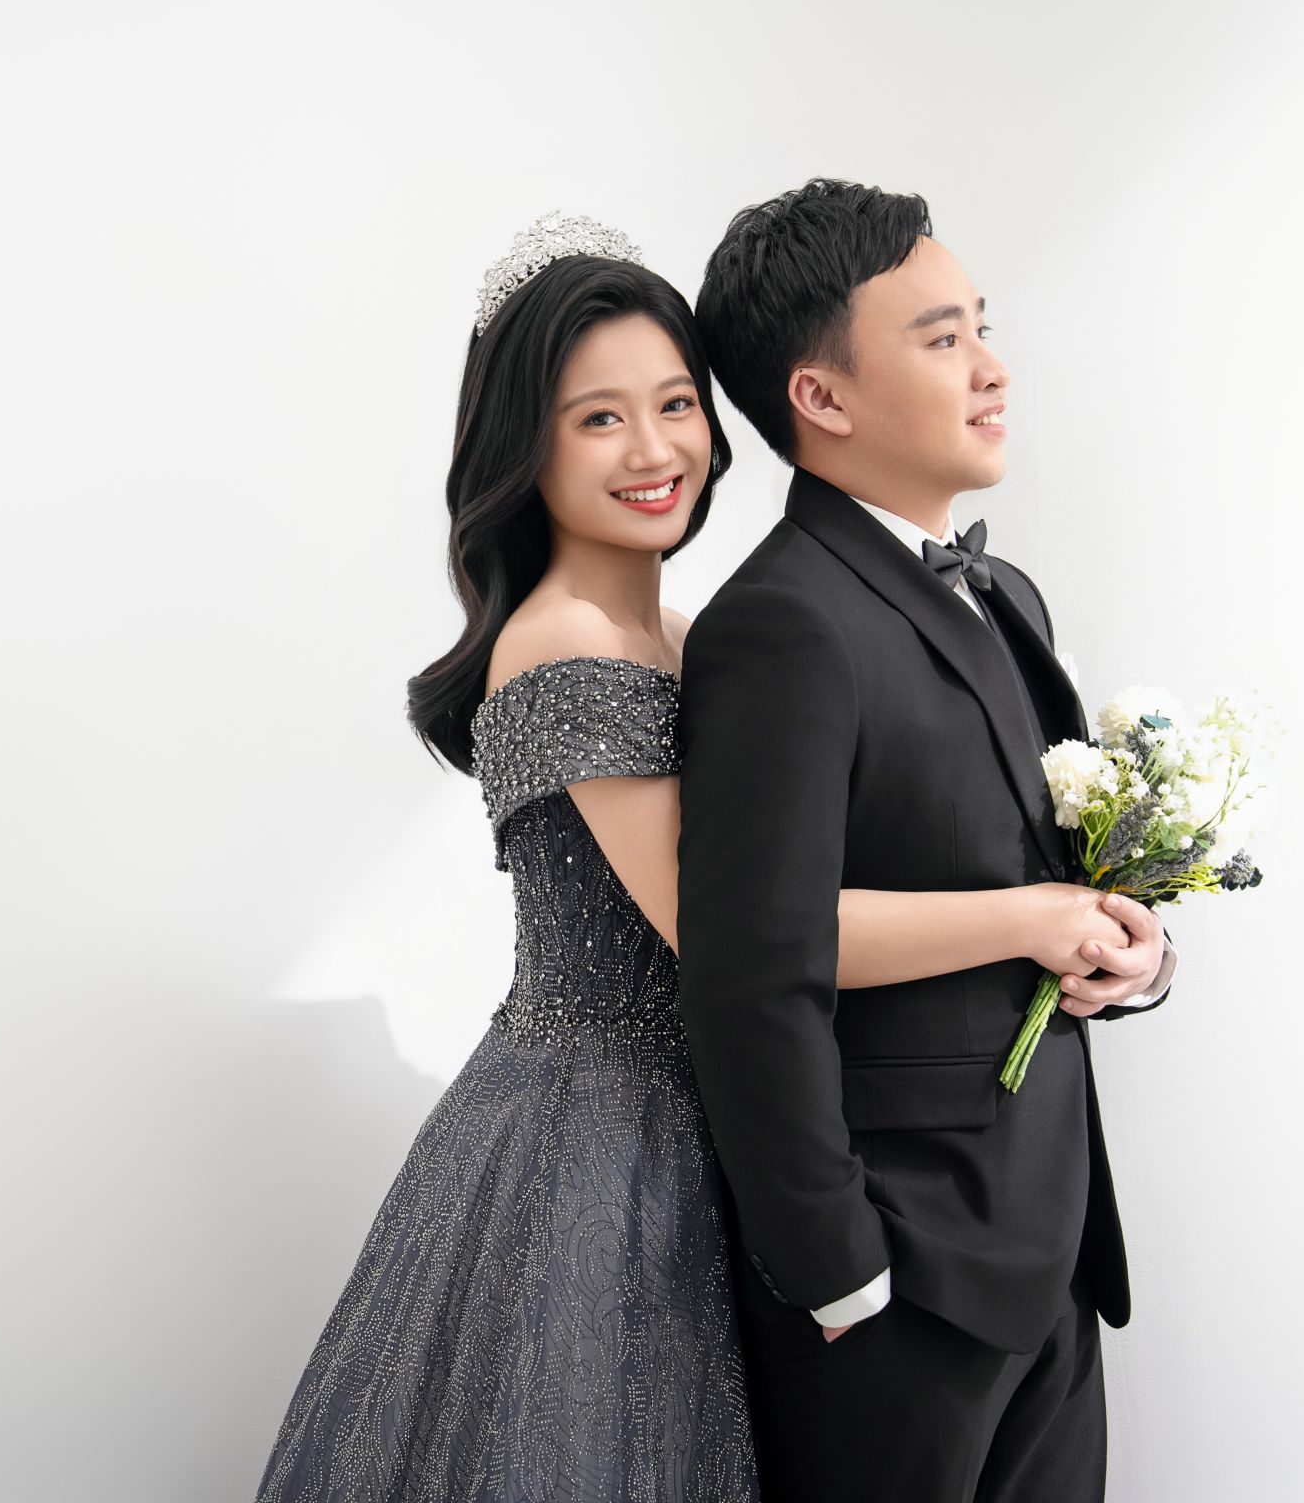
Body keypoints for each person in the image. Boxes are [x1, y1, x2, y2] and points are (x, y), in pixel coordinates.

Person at [253, 210, 1164, 1502]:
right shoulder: (565, 643)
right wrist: (1031, 917)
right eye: (599, 419)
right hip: (604, 1134)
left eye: (675, 405)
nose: (655, 449)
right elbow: (732, 931)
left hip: (743, 1124)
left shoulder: (691, 634)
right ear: (526, 448)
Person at [674, 176, 1181, 1502]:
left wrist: (1132, 955)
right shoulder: (780, 623)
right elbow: (749, 972)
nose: (992, 369)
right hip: (897, 1280)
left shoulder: (1007, 595)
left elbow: (1047, 874)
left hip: (1055, 1248)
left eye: (982, 329)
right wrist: (837, 1272)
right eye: (943, 338)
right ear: (822, 397)